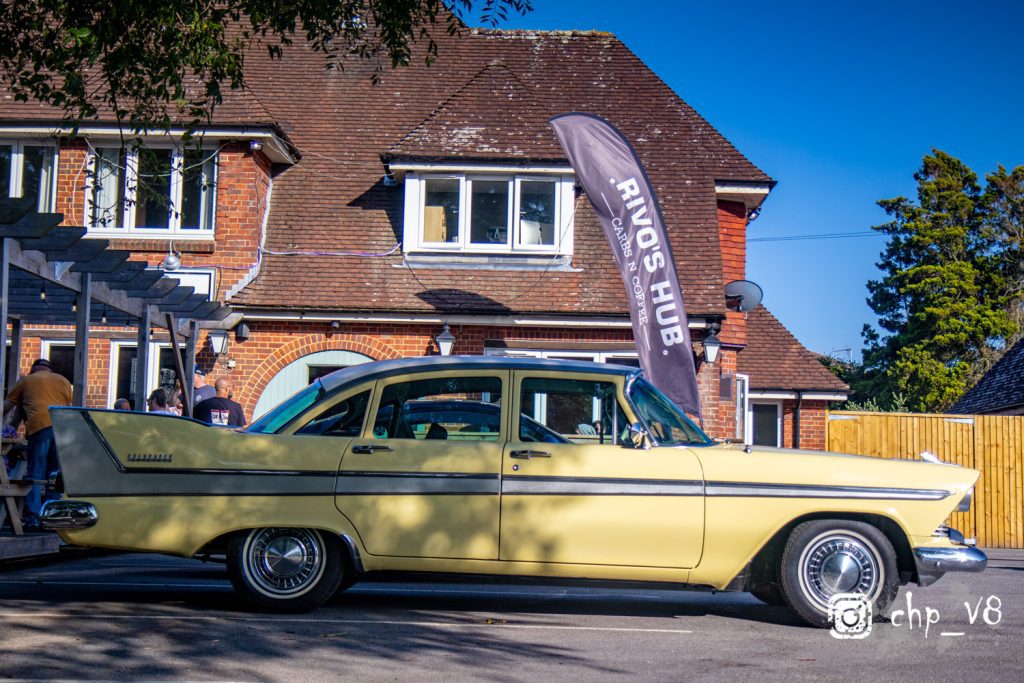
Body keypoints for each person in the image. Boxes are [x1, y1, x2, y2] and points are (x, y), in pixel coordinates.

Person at [2, 358, 73, 530]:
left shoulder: (26, 381)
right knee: (54, 474)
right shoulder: (63, 381)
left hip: (40, 427)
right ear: (50, 370)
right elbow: (69, 406)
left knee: (36, 473)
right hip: (62, 427)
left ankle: (32, 517)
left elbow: (6, 408)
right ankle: (52, 516)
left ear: (33, 370)